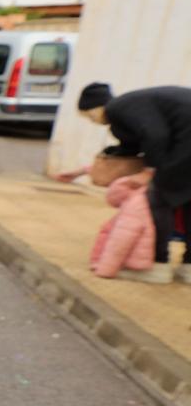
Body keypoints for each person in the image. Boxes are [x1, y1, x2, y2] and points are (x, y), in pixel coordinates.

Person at [65, 83, 191, 284]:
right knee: (187, 201)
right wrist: (84, 170)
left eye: (89, 116)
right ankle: (188, 268)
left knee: (158, 199)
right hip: (184, 139)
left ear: (95, 108)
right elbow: (133, 147)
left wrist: (149, 171)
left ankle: (158, 266)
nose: (94, 121)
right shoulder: (133, 108)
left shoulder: (118, 109)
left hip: (186, 142)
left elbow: (156, 136)